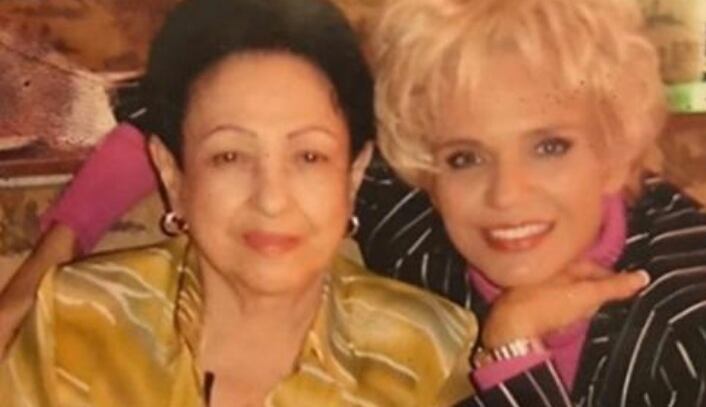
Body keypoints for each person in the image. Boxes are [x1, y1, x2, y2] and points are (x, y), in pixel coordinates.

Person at [0, 0, 478, 405]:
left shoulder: (426, 349)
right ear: (173, 175)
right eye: (229, 156)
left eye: (309, 156)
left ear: (353, 176)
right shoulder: (79, 320)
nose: (271, 199)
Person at [363, 0, 706, 405]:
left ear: (616, 151)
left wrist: (513, 351)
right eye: (465, 158)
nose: (506, 194)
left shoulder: (699, 332)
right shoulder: (409, 234)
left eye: (549, 148)